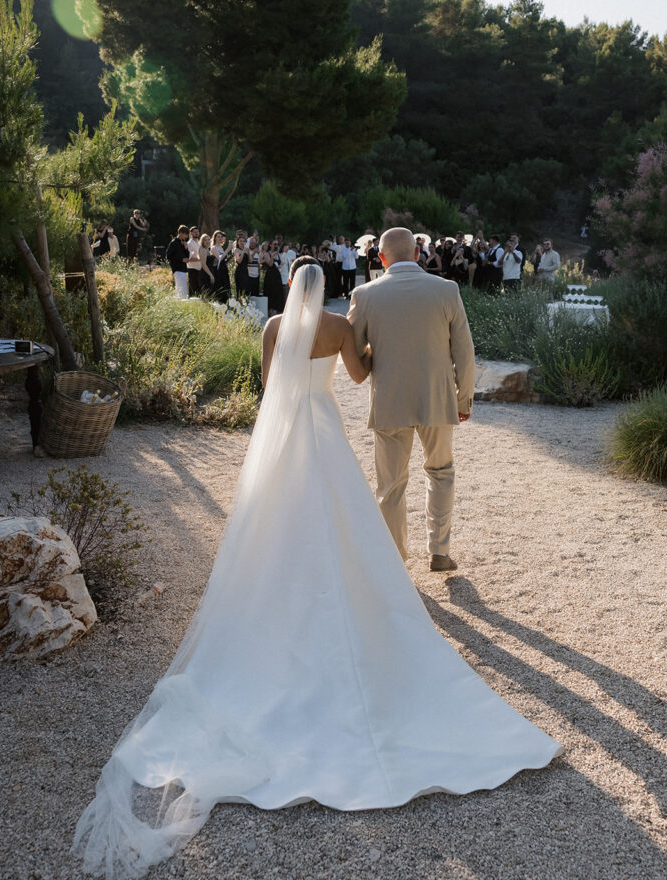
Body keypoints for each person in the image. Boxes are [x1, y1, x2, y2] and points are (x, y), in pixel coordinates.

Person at [73, 257, 560, 878]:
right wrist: (371, 351)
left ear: (288, 286)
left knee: (276, 522)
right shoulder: (336, 326)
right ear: (325, 288)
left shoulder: (275, 325)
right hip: (323, 425)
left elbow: (268, 382)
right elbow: (357, 378)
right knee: (343, 520)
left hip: (285, 435)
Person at [348, 227, 475, 571]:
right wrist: (463, 400)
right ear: (418, 254)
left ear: (381, 257)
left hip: (389, 399)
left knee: (390, 486)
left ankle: (394, 562)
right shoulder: (447, 290)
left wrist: (377, 351)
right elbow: (464, 353)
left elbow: (356, 358)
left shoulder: (364, 294)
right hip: (437, 397)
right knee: (441, 472)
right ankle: (439, 552)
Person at [165, 226, 190, 299]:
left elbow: (187, 256)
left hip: (183, 268)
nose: (187, 236)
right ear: (181, 233)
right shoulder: (174, 242)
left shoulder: (183, 243)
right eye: (186, 234)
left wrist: (186, 248)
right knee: (181, 288)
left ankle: (182, 302)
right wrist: (181, 259)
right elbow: (168, 256)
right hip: (177, 268)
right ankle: (181, 302)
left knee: (183, 288)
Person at [186, 226, 202, 297]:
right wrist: (201, 259)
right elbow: (189, 259)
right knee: (193, 288)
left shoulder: (199, 243)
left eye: (197, 232)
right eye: (195, 232)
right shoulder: (189, 244)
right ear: (190, 233)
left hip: (200, 268)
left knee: (199, 288)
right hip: (192, 269)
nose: (196, 233)